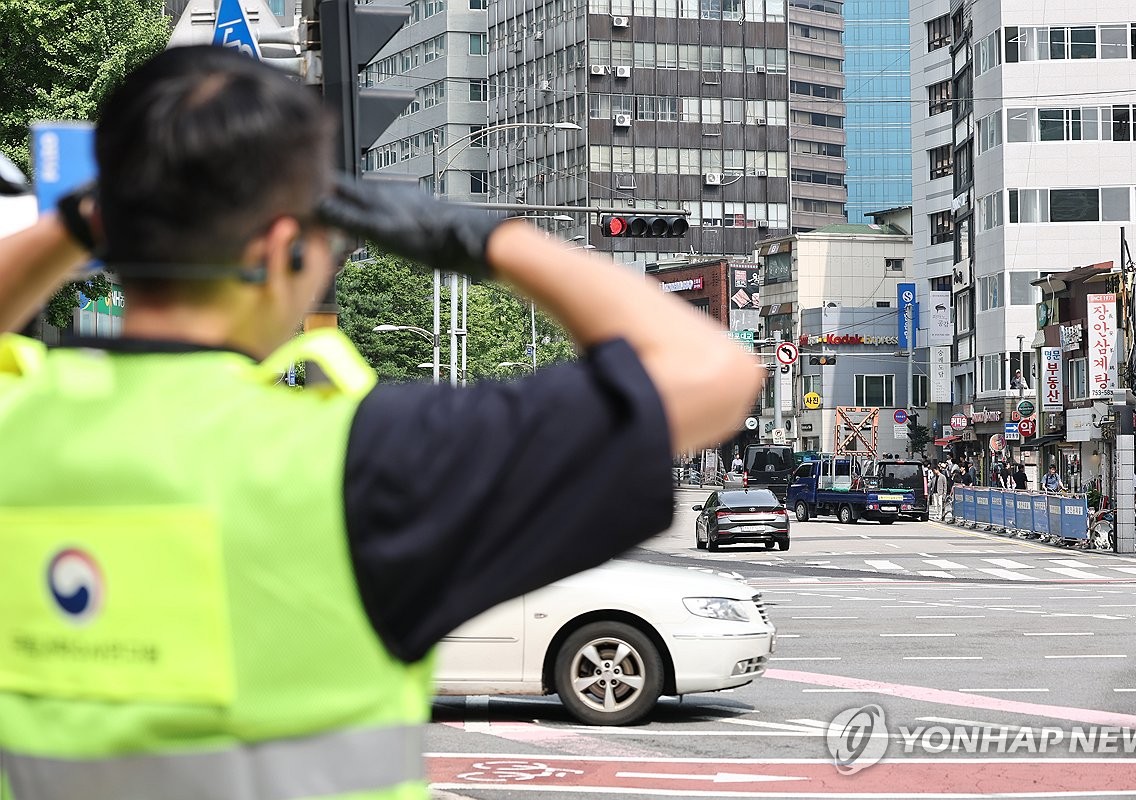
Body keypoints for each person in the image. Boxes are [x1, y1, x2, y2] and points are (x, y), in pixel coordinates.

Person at [0, 47, 762, 799]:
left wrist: (83, 220)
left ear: (110, 228)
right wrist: (482, 236)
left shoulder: (18, 419)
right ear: (283, 247)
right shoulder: (369, 455)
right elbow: (715, 375)